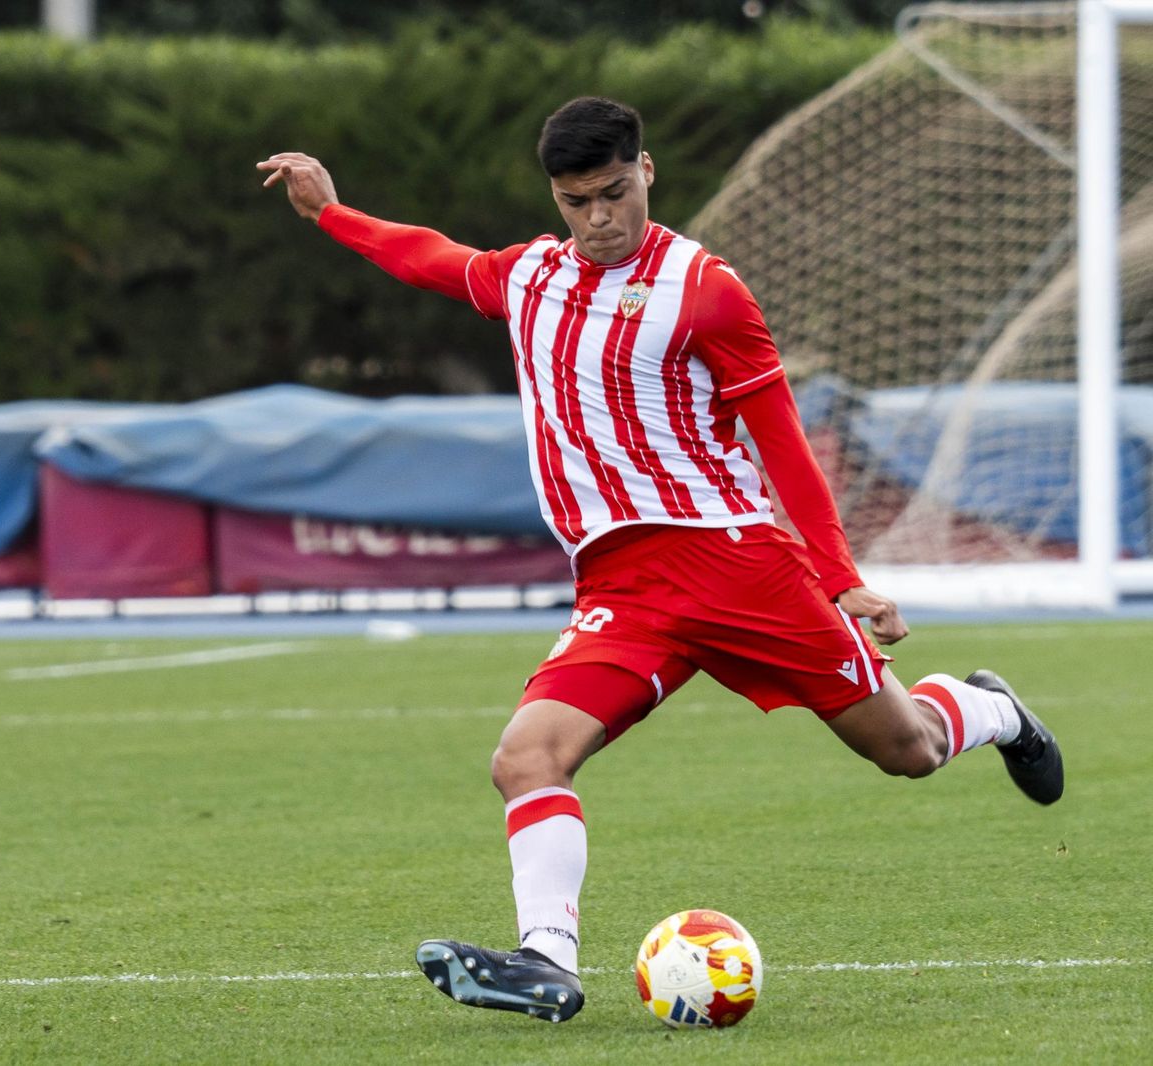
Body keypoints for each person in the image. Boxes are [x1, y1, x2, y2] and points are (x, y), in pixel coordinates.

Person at [257, 96, 1062, 1024]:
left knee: (907, 751)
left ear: (647, 172)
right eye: (575, 201)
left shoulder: (705, 289)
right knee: (525, 758)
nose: (597, 219)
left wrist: (840, 577)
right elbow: (433, 257)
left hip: (735, 563)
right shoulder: (529, 277)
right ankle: (545, 962)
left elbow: (781, 438)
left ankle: (992, 710)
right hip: (622, 588)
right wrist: (331, 212)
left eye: (611, 194)